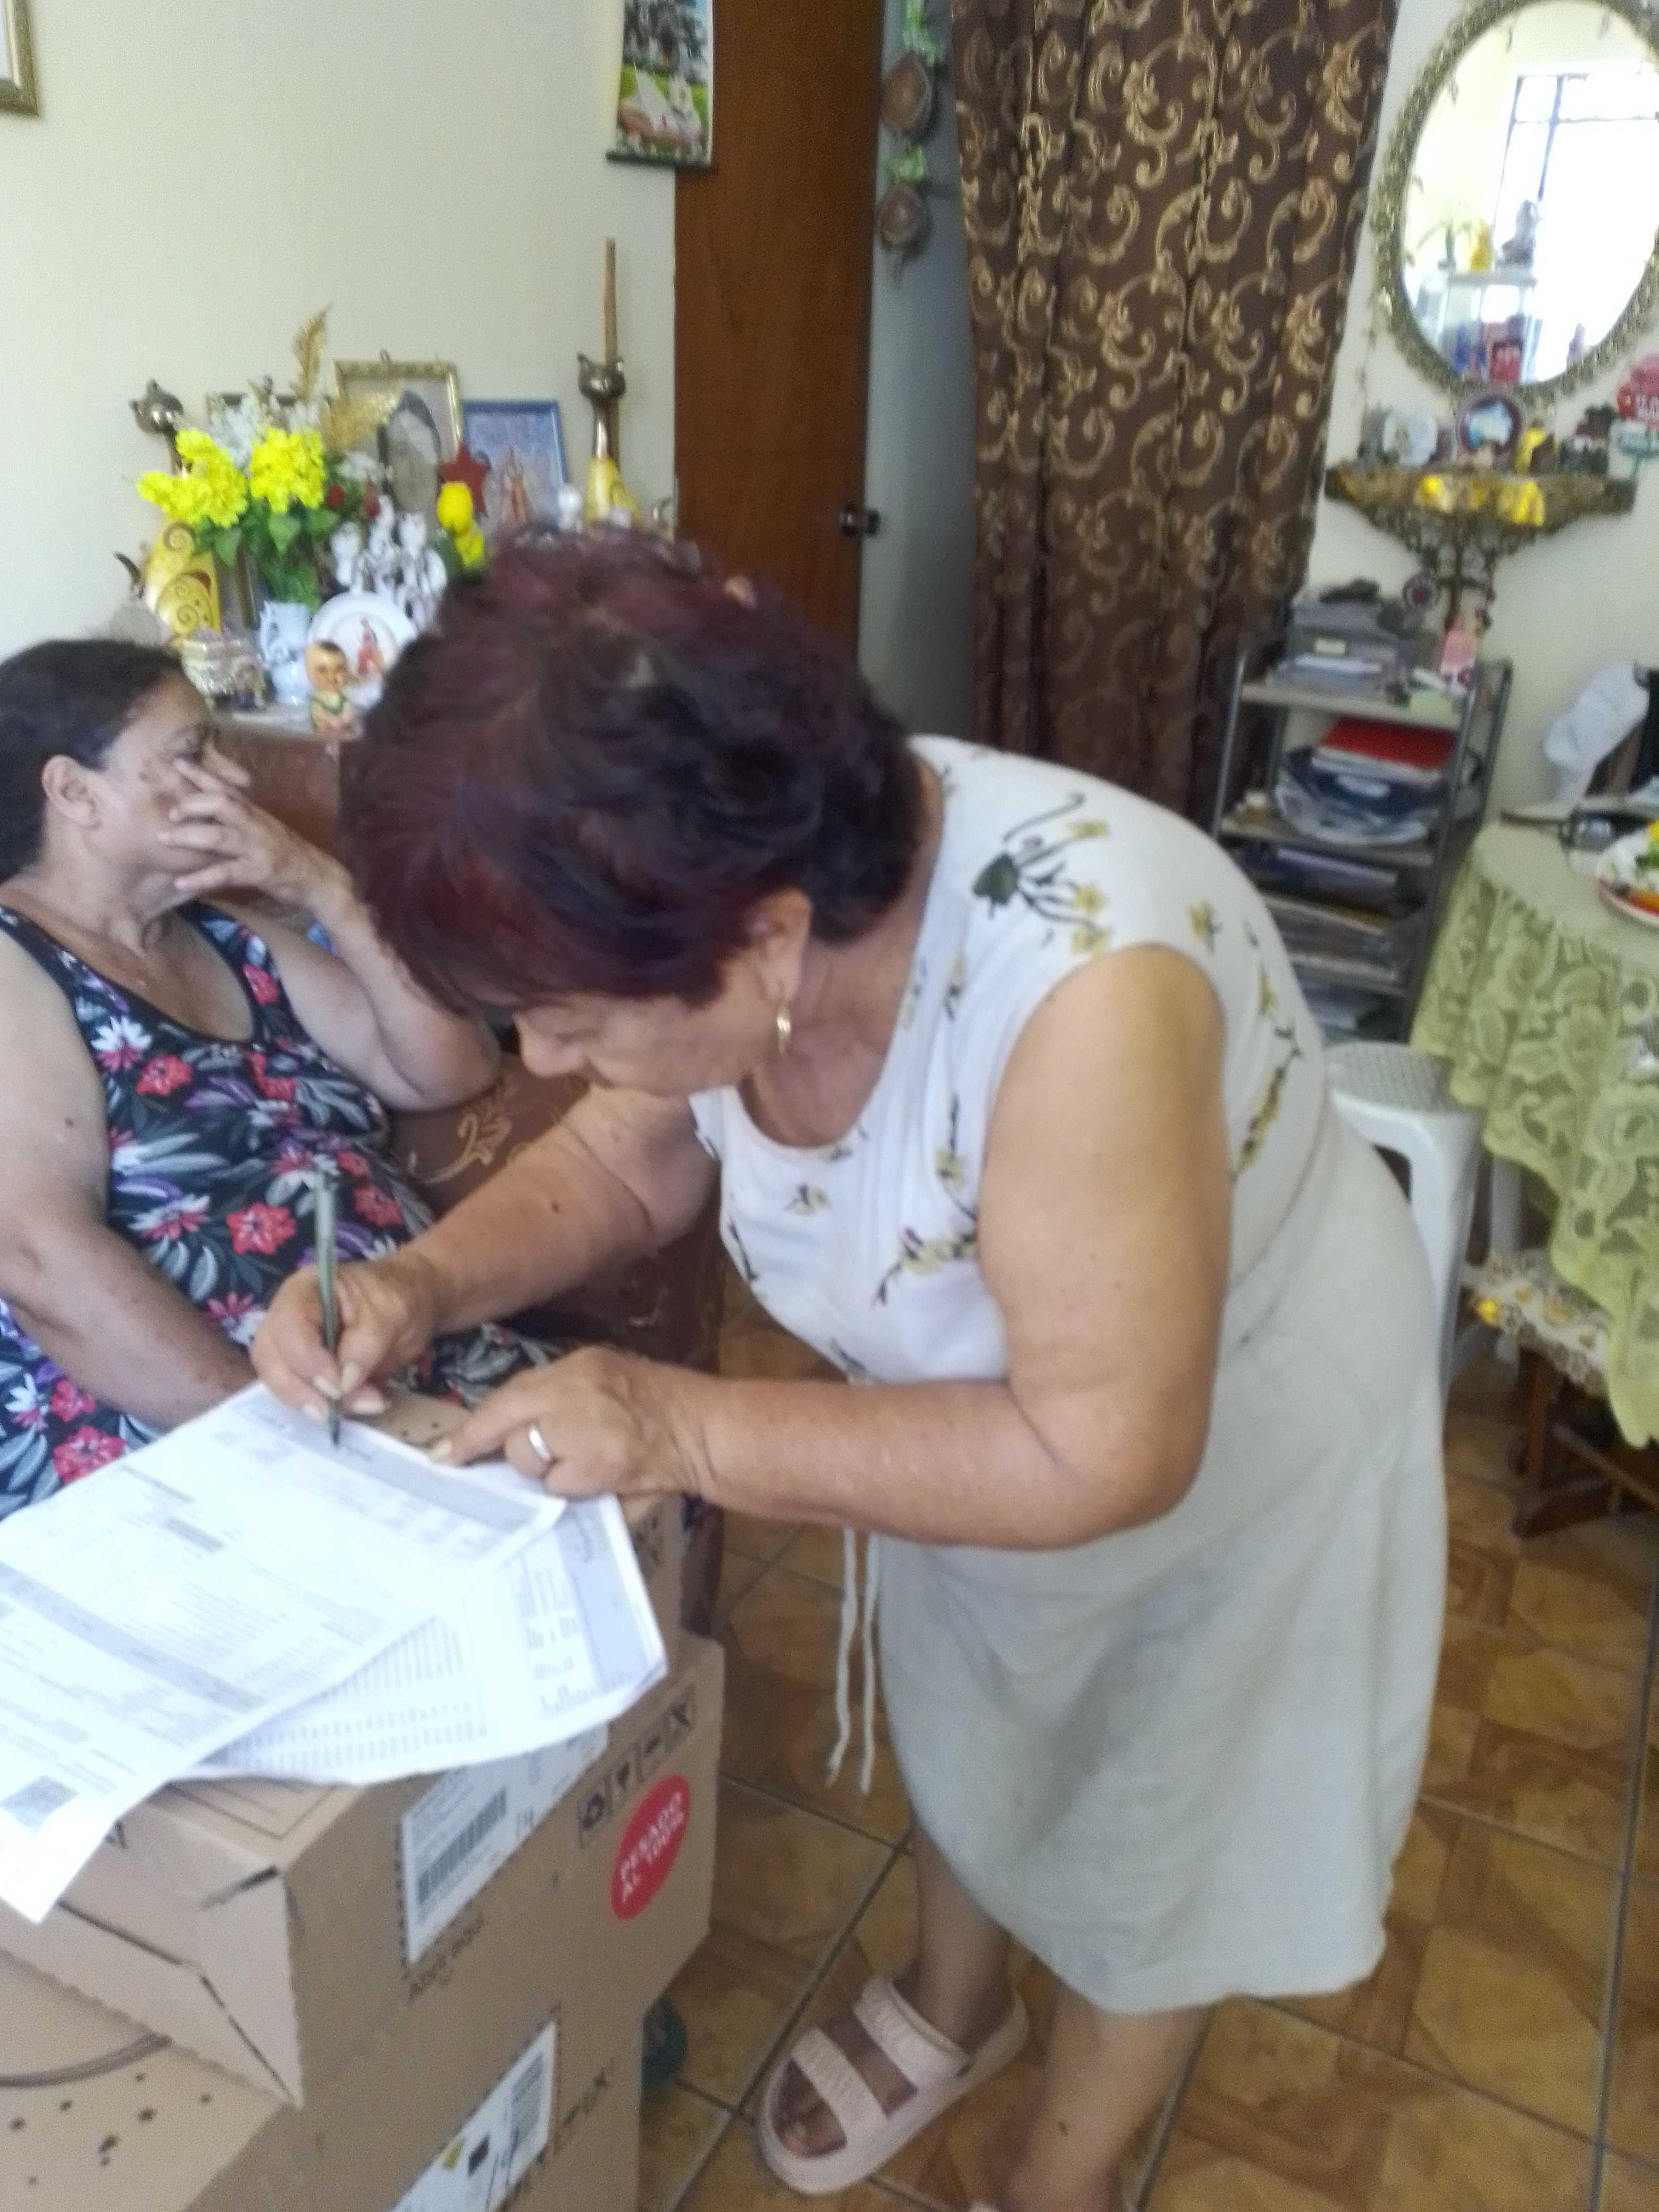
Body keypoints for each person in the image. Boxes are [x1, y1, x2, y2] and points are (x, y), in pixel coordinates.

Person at [253, 534, 1446, 2212]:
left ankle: (1062, 2181)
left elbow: (1102, 1451)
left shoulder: (1089, 1000)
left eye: (568, 1016)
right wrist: (416, 1281)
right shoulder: (735, 907)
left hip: (1218, 1421)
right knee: (976, 1705)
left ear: (767, 937)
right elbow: (626, 1159)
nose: (542, 1060)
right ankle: (958, 2006)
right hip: (971, 1403)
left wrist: (668, 1421)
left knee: (1154, 1821)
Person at [0, 638, 542, 1515]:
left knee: (624, 1486)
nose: (236, 780)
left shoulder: (222, 933)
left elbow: (450, 1069)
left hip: (380, 1360)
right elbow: (39, 1259)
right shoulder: (15, 962)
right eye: (193, 754)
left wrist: (321, 885)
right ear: (74, 793)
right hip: (185, 1416)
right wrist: (272, 1431)